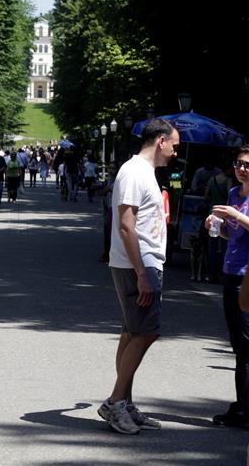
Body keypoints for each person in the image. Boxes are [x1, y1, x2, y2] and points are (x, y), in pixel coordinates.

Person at [97, 118, 179, 435]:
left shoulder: (144, 172)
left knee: (132, 332)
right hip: (138, 263)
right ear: (160, 141)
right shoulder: (134, 172)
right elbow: (126, 226)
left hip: (141, 262)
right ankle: (115, 402)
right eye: (174, 145)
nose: (175, 152)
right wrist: (142, 274)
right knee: (147, 331)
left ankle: (125, 403)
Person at [204, 144, 249, 428]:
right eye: (238, 163)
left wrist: (236, 216)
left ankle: (247, 412)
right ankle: (243, 407)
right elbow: (231, 235)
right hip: (231, 271)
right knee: (239, 345)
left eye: (248, 165)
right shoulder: (232, 194)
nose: (241, 169)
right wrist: (218, 226)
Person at [205, 164, 235, 283]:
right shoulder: (228, 181)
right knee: (224, 246)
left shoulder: (212, 180)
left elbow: (206, 195)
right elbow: (230, 197)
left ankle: (210, 274)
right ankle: (223, 274)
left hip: (212, 214)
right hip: (224, 216)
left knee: (211, 246)